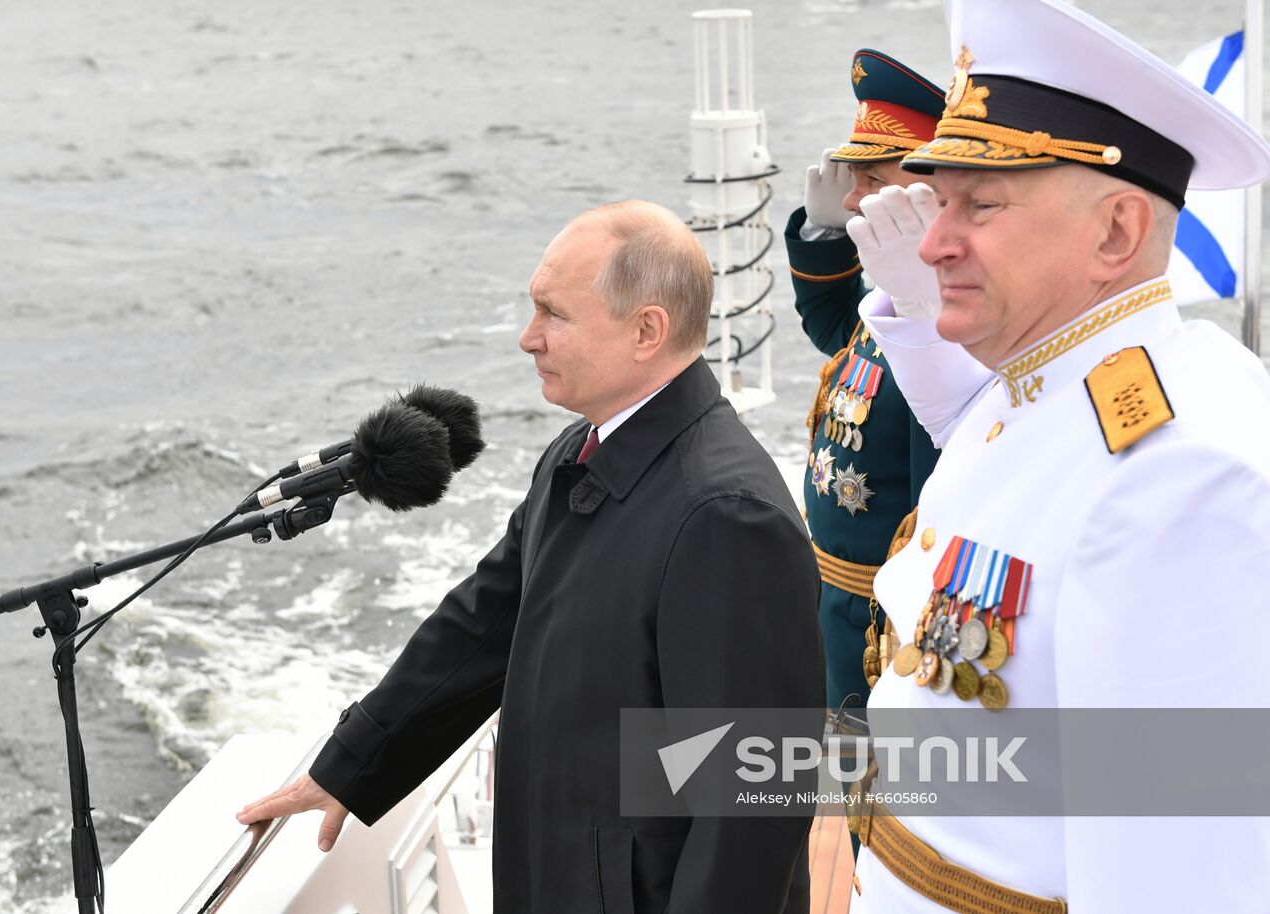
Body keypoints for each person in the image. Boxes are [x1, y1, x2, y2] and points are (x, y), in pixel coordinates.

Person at [239, 200, 825, 913]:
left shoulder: (726, 515)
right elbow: (484, 622)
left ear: (647, 331)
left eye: (554, 314)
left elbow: (753, 805)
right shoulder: (582, 451)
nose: (528, 337)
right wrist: (354, 763)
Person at [838, 0, 1270, 911]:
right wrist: (927, 322)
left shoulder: (1177, 479)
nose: (933, 241)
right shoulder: (1053, 383)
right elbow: (1018, 467)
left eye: (980, 206)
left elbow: (1176, 882)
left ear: (1114, 234)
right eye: (938, 203)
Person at [783, 49, 947, 714]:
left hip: (886, 627)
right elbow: (834, 328)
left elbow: (941, 516)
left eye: (869, 177)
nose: (851, 196)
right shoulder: (892, 307)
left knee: (885, 805)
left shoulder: (943, 336)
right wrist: (824, 233)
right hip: (834, 609)